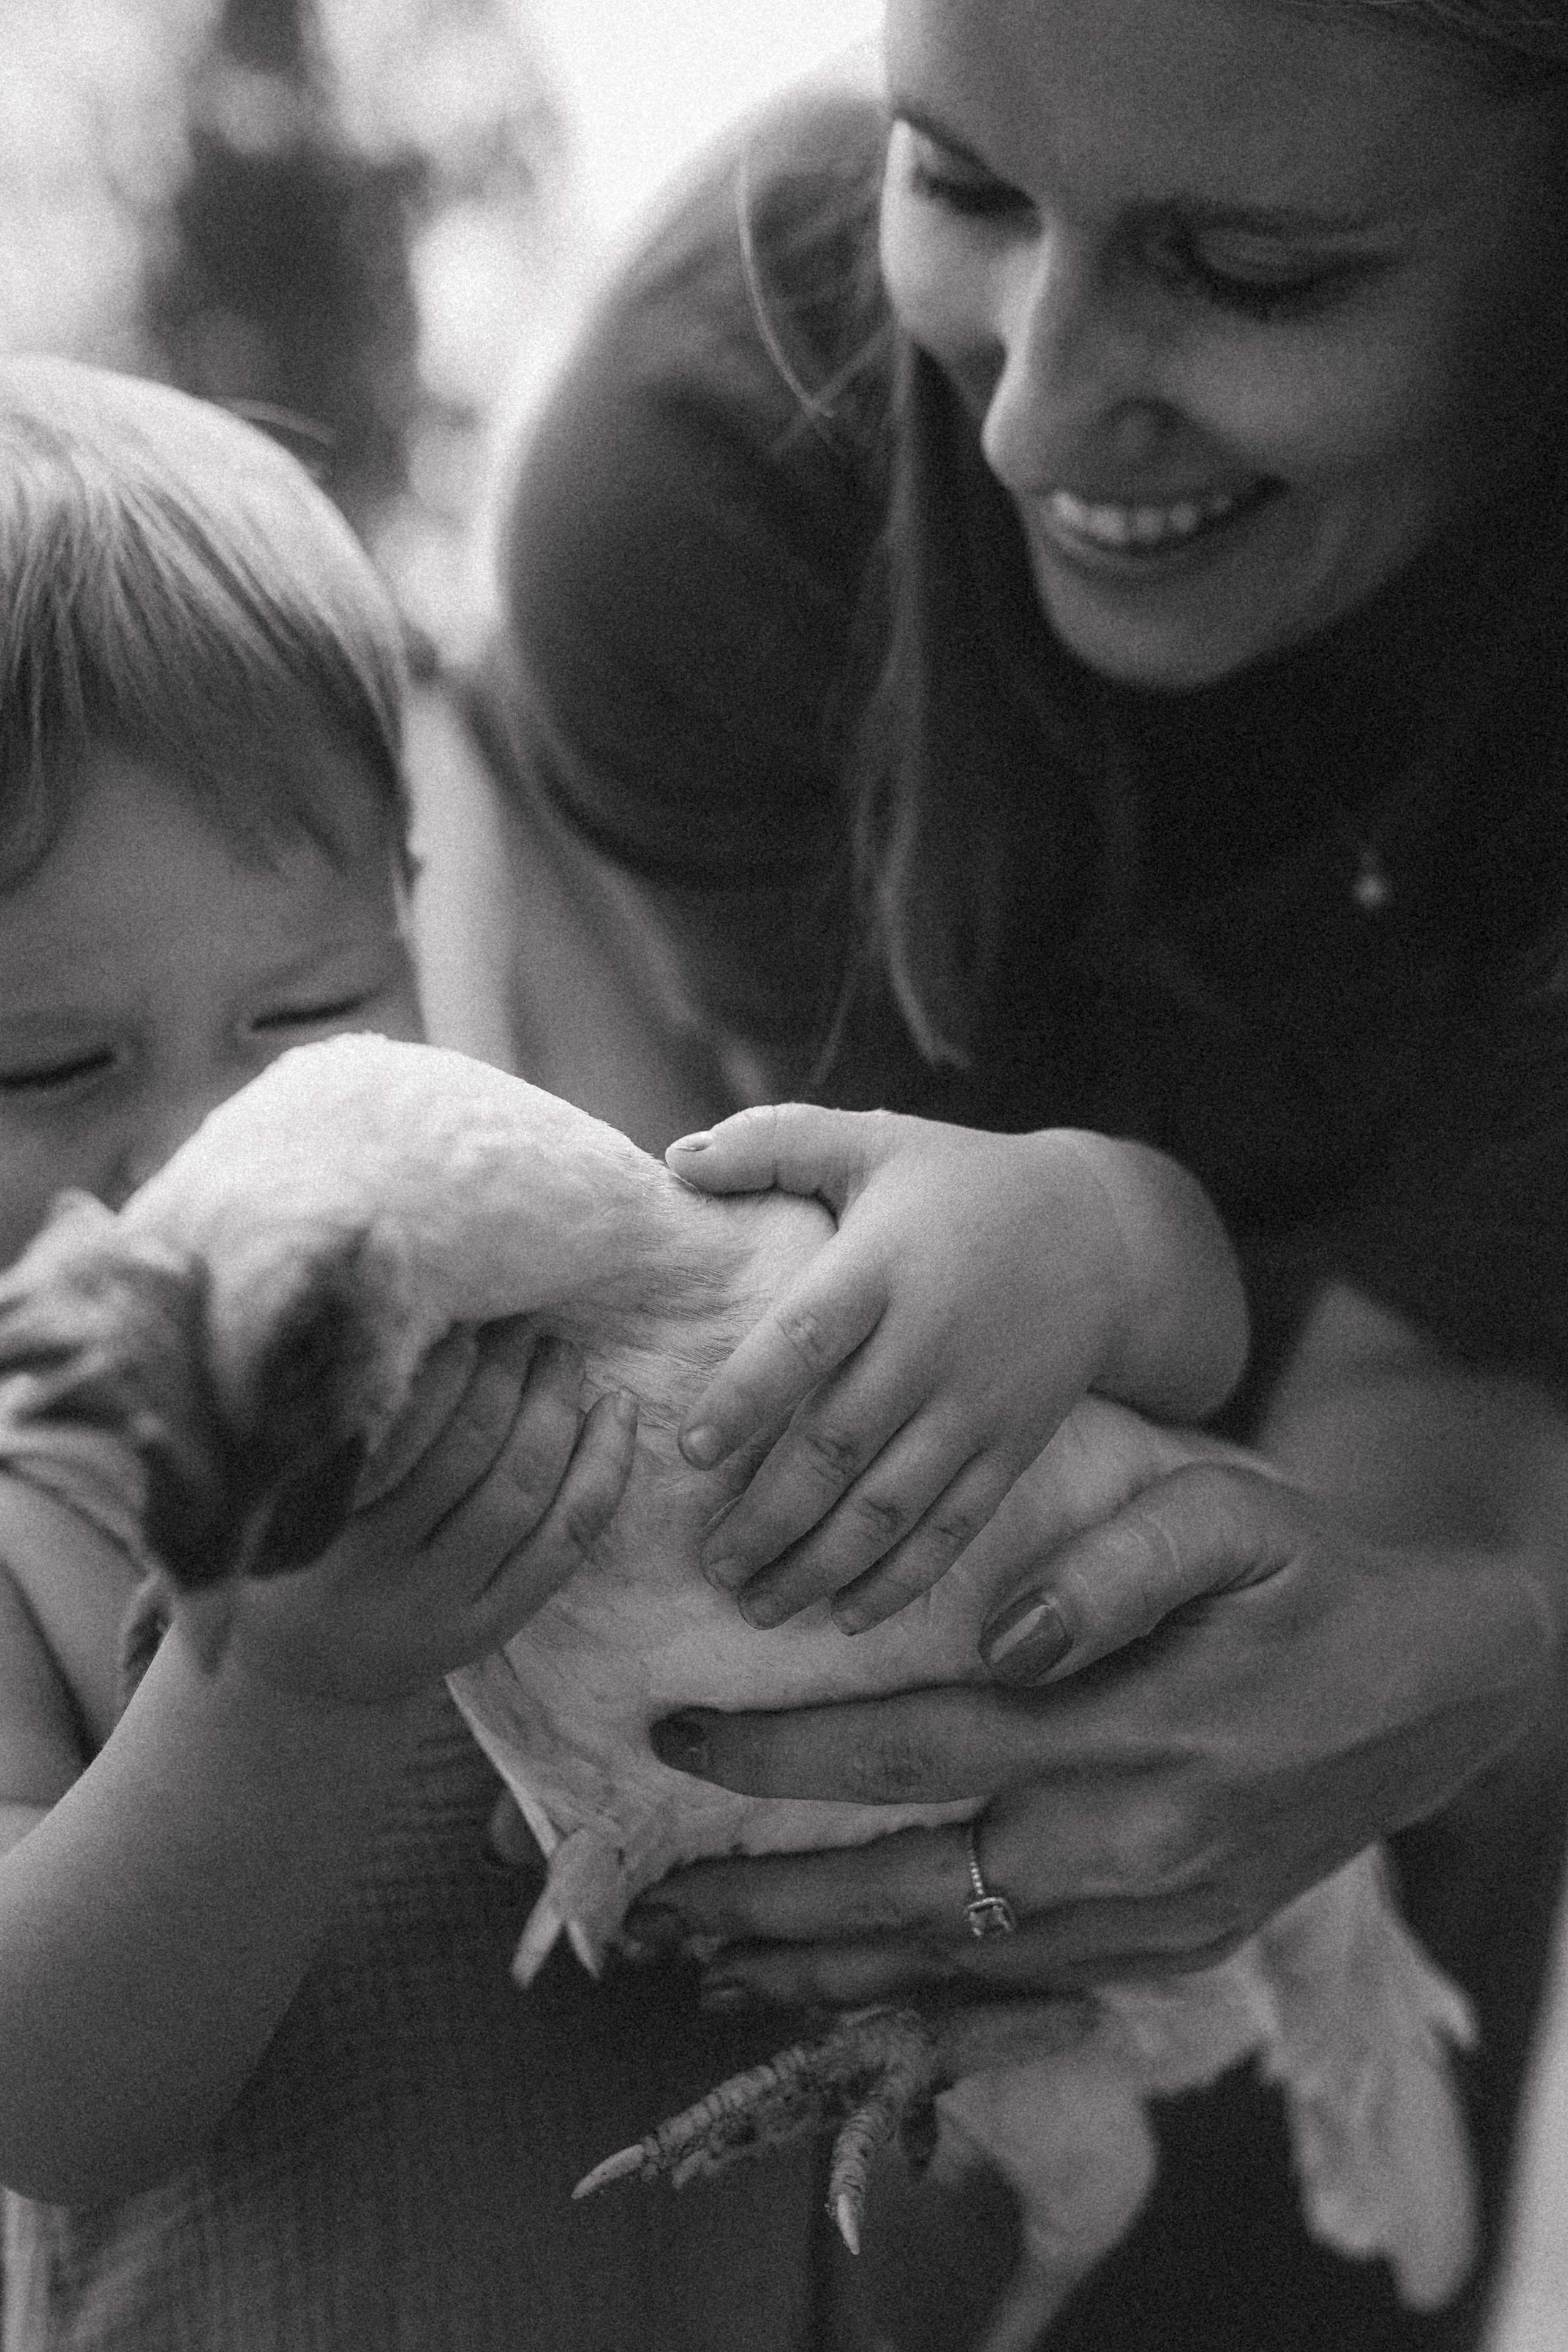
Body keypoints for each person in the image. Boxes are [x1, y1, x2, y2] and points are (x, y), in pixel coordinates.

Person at [458, 0, 1568, 2342]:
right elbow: (882, 1461)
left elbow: (1427, 1475)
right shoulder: (707, 481)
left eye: (1251, 272)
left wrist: (1479, 1638)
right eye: (957, 183)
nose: (1037, 409)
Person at [0, 355, 833, 2352]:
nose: (215, 1134)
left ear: (412, 923)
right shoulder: (31, 1516)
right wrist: (285, 1687)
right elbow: (52, 2095)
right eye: (49, 1062)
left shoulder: (585, 1311)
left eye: (306, 1014)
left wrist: (1087, 1228)